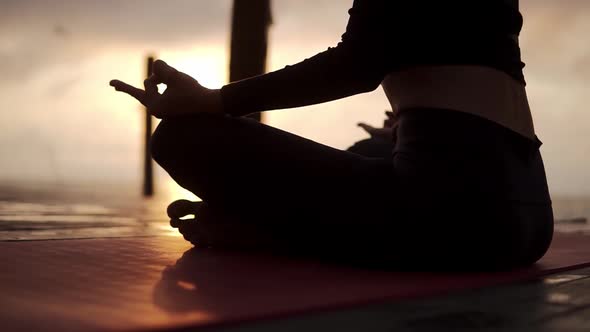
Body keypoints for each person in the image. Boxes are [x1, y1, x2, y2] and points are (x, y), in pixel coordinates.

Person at [110, 0, 554, 270]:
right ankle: (270, 222)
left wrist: (214, 100)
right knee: (369, 150)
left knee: (180, 137)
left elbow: (354, 64)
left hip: (452, 219)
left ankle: (267, 231)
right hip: (530, 220)